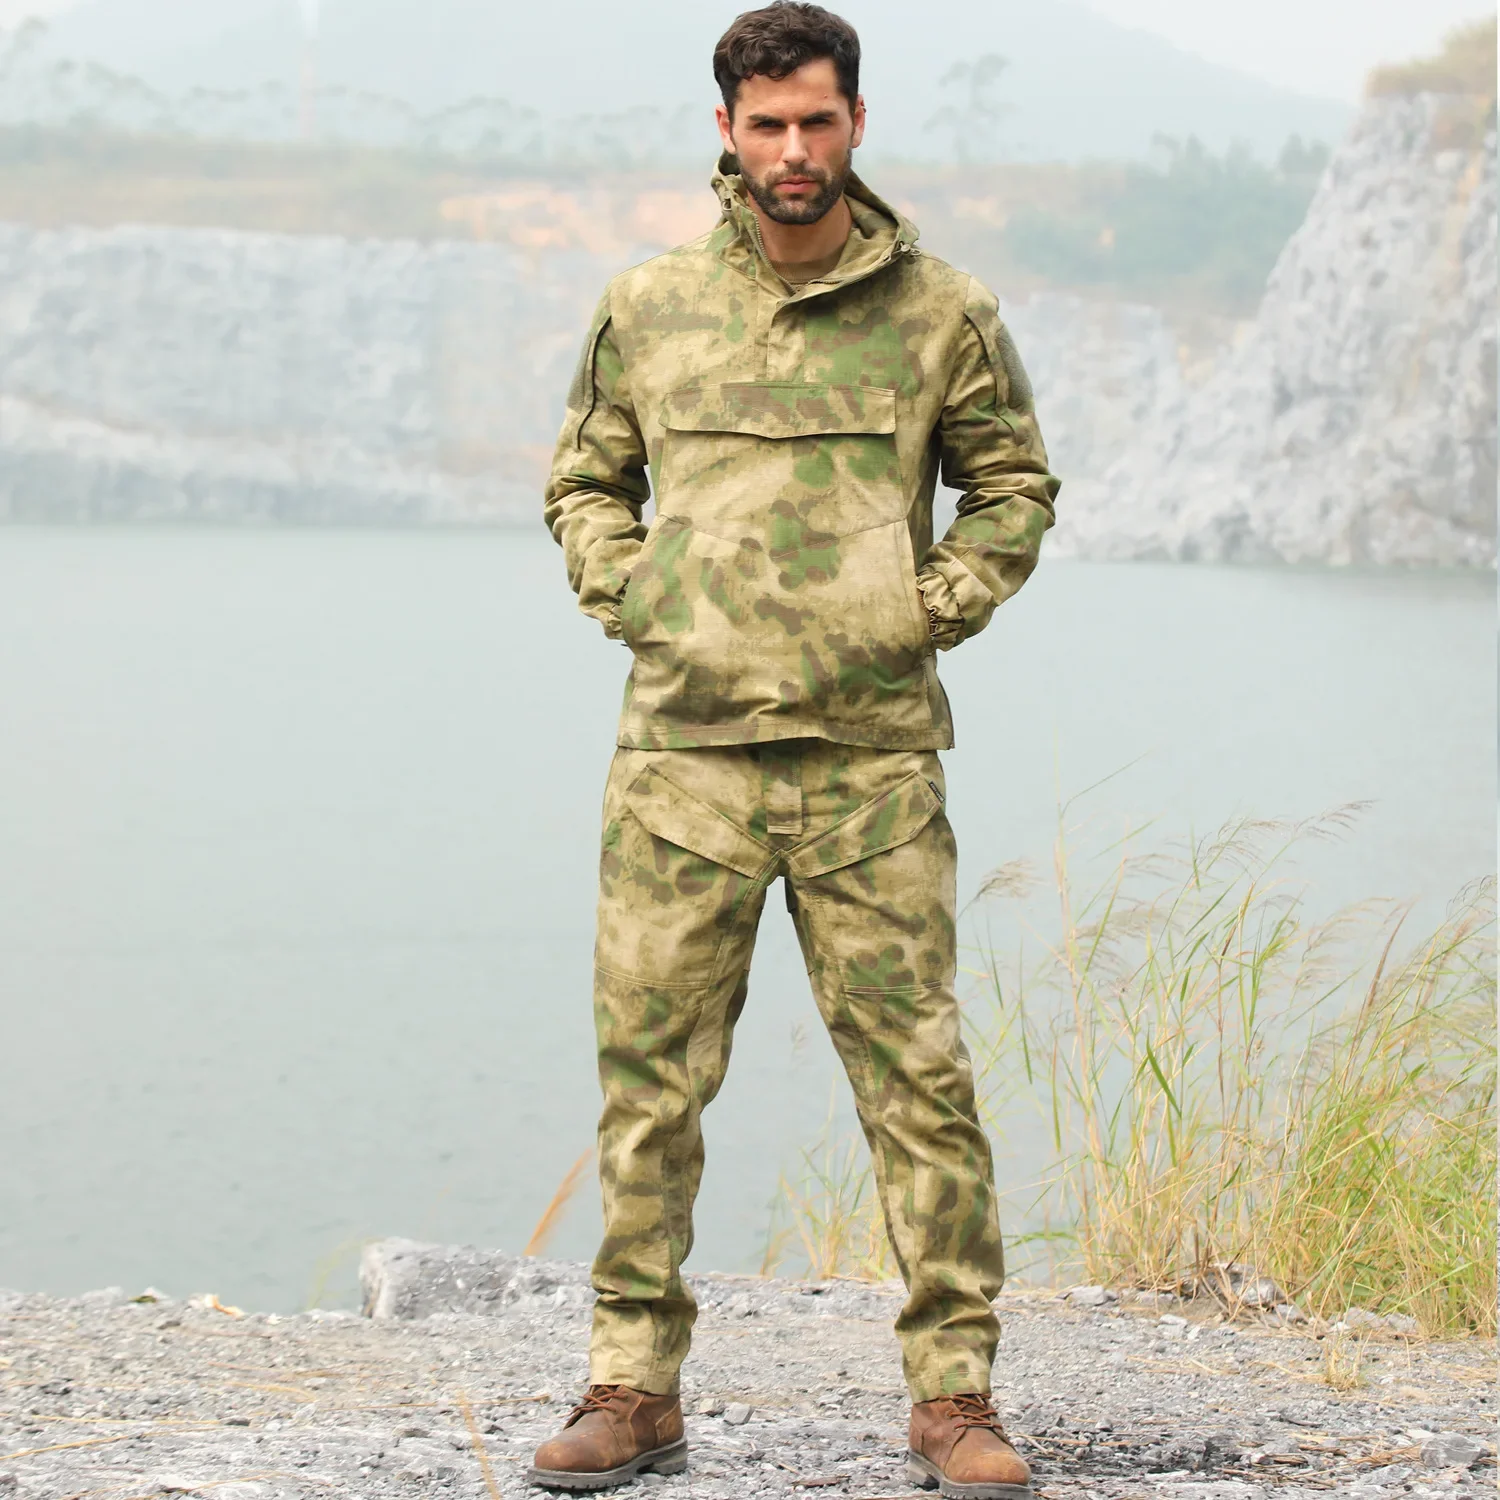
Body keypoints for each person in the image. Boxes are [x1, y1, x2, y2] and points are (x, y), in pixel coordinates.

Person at [534, 3, 1058, 1494]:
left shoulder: (944, 312)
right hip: (683, 766)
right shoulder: (649, 306)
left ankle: (956, 1401)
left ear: (856, 124)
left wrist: (923, 608)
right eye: (766, 124)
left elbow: (1012, 486)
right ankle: (632, 1389)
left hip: (870, 769)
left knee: (918, 1085)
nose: (792, 150)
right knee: (651, 1089)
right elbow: (584, 481)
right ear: (726, 131)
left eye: (817, 120)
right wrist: (636, 593)